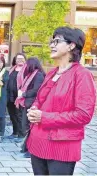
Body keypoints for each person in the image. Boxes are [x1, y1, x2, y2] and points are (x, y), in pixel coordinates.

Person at [26, 27, 96, 175]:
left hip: (62, 146)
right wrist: (34, 108)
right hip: (37, 142)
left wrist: (44, 117)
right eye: (52, 41)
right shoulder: (52, 73)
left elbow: (83, 115)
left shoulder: (82, 75)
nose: (52, 45)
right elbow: (40, 99)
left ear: (71, 46)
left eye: (57, 41)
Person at [13, 57, 45, 158]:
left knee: (30, 128)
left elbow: (36, 90)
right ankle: (26, 146)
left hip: (32, 104)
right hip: (26, 103)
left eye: (27, 64)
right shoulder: (29, 75)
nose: (25, 66)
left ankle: (31, 150)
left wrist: (24, 94)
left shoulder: (38, 75)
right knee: (25, 126)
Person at [7, 53, 26, 139]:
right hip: (10, 95)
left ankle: (21, 134)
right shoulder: (12, 69)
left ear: (25, 60)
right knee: (12, 115)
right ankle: (15, 132)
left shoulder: (26, 70)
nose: (20, 60)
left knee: (19, 115)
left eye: (22, 58)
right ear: (15, 60)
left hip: (19, 97)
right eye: (18, 59)